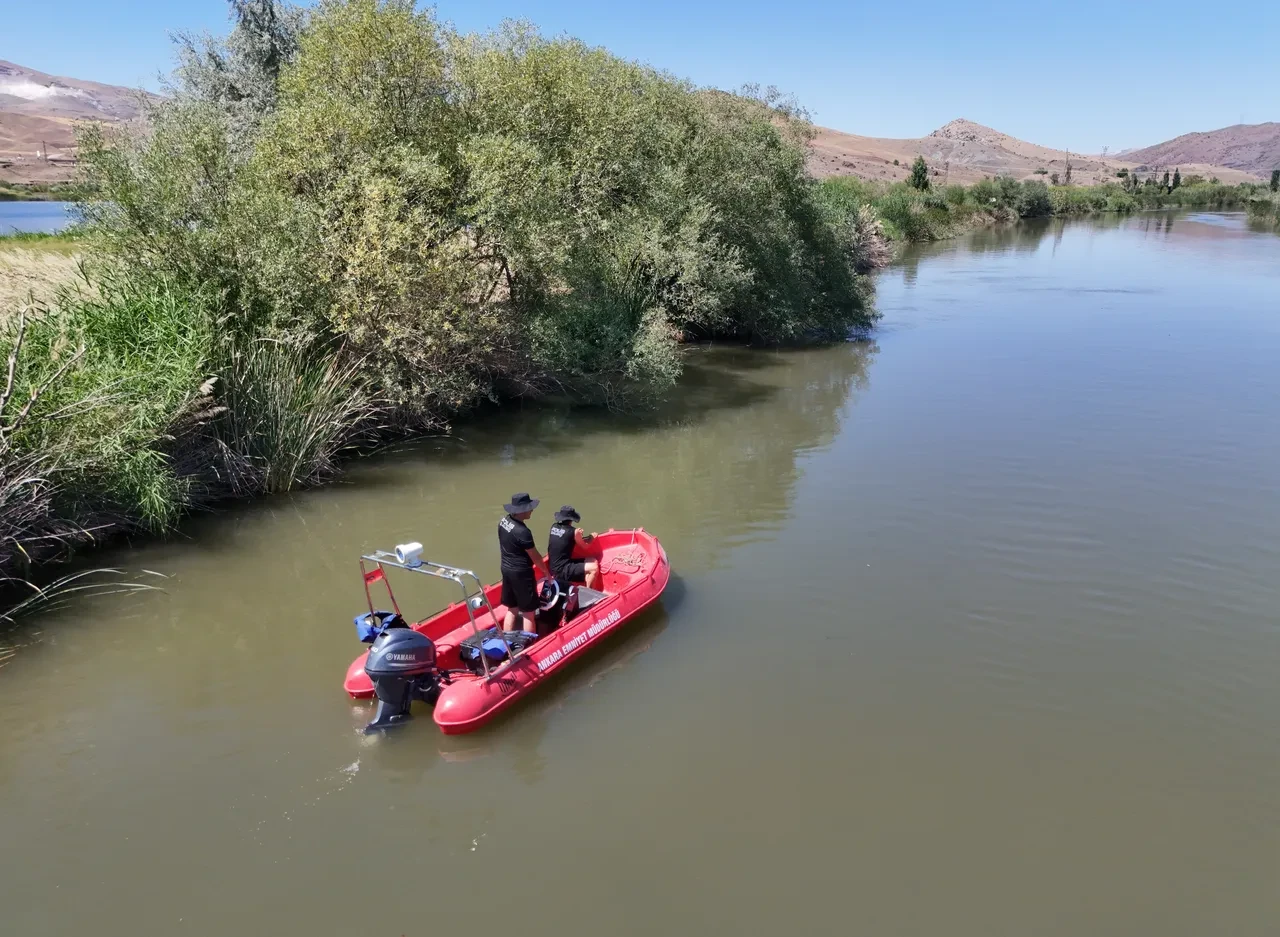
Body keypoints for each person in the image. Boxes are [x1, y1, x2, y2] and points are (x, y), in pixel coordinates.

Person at [498, 493, 552, 634]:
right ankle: (530, 645)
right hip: (521, 573)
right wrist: (546, 572)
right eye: (530, 508)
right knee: (529, 612)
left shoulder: (503, 521)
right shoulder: (523, 531)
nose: (532, 510)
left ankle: (507, 641)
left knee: (512, 608)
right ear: (522, 510)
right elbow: (535, 556)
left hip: (506, 569)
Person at [547, 505, 601, 590]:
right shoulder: (574, 531)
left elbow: (565, 538)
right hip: (562, 570)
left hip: (553, 566)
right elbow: (585, 546)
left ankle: (587, 586)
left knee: (592, 560)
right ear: (572, 519)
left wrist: (578, 534)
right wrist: (592, 537)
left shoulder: (554, 526)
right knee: (594, 568)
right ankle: (590, 595)